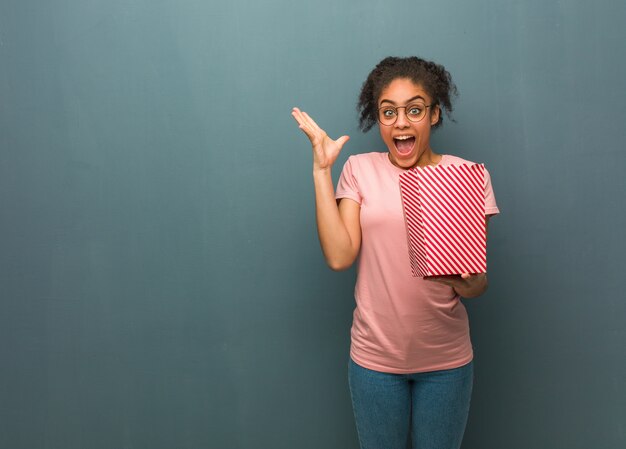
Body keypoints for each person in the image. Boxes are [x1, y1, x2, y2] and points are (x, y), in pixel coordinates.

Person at [291, 56, 499, 449]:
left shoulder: (469, 176)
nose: (401, 122)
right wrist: (321, 171)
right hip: (375, 362)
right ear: (379, 120)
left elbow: (475, 287)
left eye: (414, 110)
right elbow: (339, 256)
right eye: (389, 112)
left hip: (447, 362)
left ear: (434, 115)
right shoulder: (358, 169)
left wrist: (471, 281)